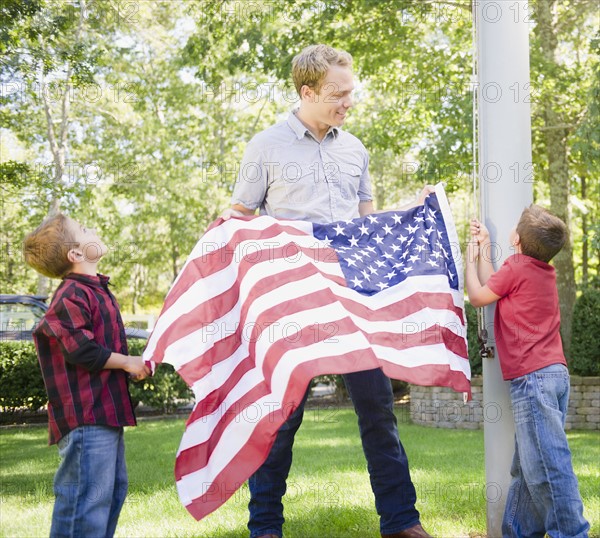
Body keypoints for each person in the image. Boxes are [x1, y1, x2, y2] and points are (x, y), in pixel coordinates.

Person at [221, 44, 432, 538]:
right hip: (291, 301)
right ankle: (265, 527)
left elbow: (367, 225)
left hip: (352, 297)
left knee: (378, 409)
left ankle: (402, 522)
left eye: (351, 93)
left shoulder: (354, 149)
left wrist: (412, 209)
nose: (348, 103)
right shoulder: (266, 146)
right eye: (338, 95)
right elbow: (239, 218)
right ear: (307, 91)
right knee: (282, 417)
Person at [23, 213, 150, 538]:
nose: (92, 229)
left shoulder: (96, 291)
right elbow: (79, 348)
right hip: (86, 420)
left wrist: (133, 364)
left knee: (110, 495)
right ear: (75, 254)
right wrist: (125, 362)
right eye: (83, 230)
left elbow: (99, 349)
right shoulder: (71, 294)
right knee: (85, 504)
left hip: (104, 415)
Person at [466, 206, 589, 537]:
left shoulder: (517, 267)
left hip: (533, 380)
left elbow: (479, 295)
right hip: (553, 376)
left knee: (548, 467)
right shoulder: (540, 271)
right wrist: (487, 243)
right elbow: (496, 284)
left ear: (515, 238)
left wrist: (469, 258)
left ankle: (572, 532)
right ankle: (519, 532)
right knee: (529, 465)